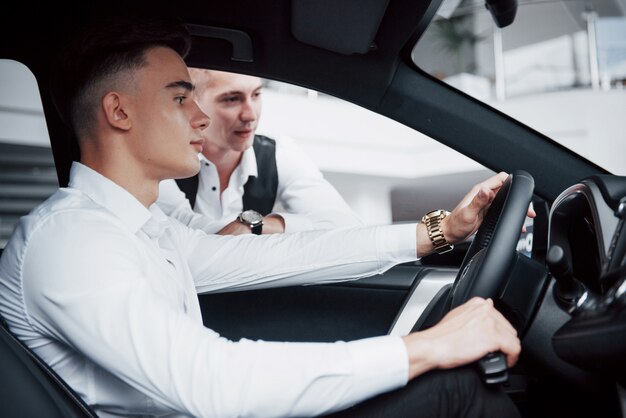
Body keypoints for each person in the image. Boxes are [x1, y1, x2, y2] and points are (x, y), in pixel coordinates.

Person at [0, 16, 524, 418]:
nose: (201, 117)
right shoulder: (73, 240)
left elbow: (285, 254)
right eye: (181, 99)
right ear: (119, 112)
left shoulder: (142, 230)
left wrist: (437, 231)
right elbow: (212, 384)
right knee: (455, 386)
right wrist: (428, 346)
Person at [157, 68, 364, 235]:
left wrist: (256, 225)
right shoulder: (162, 158)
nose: (250, 114)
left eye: (256, 95)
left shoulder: (279, 154)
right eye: (232, 99)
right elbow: (179, 229)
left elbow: (347, 225)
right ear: (194, 104)